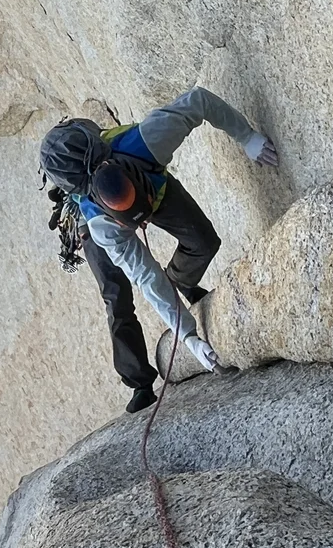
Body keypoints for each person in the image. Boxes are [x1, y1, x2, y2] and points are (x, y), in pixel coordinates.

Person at [41, 90, 278, 413]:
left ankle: (180, 278)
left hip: (152, 183)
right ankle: (139, 382)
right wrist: (189, 338)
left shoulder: (146, 143)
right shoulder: (101, 226)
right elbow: (145, 277)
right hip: (92, 217)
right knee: (115, 294)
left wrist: (247, 137)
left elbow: (198, 101)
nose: (144, 221)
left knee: (204, 242)